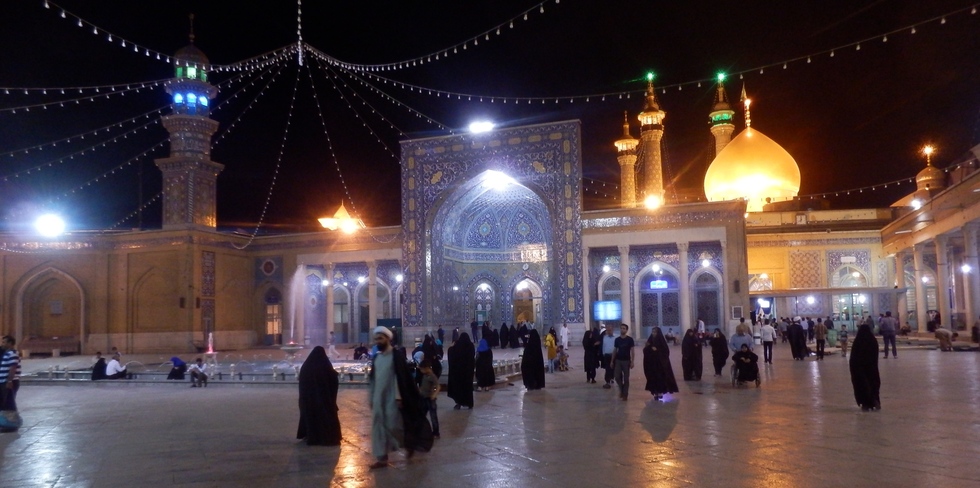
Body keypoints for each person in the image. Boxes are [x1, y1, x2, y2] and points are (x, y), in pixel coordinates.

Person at [368, 326, 432, 469]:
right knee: (378, 429)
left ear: (388, 338)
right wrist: (371, 397)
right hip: (379, 400)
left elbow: (401, 378)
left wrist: (399, 397)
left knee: (393, 427)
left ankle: (409, 445)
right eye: (376, 338)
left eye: (381, 338)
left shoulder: (396, 356)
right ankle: (382, 458)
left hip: (392, 398)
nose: (378, 341)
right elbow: (373, 379)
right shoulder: (377, 357)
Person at [296, 346, 342, 446]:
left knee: (311, 417)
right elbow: (333, 380)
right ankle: (326, 436)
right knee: (325, 417)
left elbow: (302, 382)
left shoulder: (306, 366)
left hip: (309, 400)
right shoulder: (325, 366)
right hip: (324, 399)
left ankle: (311, 436)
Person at [849, 323, 881, 412]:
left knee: (862, 385)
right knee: (873, 384)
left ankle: (866, 403)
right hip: (872, 368)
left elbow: (853, 358)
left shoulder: (858, 342)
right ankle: (874, 400)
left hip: (860, 370)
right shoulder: (873, 340)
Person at [643, 327, 678, 401]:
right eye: (653, 332)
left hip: (660, 364)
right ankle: (655, 392)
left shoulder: (661, 341)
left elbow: (666, 352)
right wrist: (648, 347)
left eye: (655, 332)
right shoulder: (650, 340)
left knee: (660, 378)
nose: (654, 333)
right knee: (653, 378)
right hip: (652, 364)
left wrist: (657, 350)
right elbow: (645, 351)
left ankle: (660, 392)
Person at [447, 333, 475, 409]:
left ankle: (459, 403)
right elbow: (472, 357)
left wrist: (451, 346)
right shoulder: (471, 346)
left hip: (459, 373)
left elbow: (451, 353)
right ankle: (469, 403)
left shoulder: (457, 347)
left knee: (459, 388)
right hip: (468, 372)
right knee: (468, 388)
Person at [0, 336, 22, 432]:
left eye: (4, 342)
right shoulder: (7, 353)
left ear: (10, 343)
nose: (2, 344)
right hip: (4, 381)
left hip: (9, 382)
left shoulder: (12, 354)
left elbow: (12, 368)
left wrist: (9, 381)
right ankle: (6, 423)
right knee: (4, 403)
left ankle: (11, 424)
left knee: (8, 404)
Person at [417, 360, 440, 439]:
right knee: (422, 415)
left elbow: (437, 386)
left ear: (426, 368)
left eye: (422, 369)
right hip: (424, 397)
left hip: (430, 399)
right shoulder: (425, 375)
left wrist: (434, 394)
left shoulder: (432, 376)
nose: (421, 371)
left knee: (433, 416)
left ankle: (436, 432)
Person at [612, 323, 635, 400]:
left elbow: (632, 351)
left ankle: (625, 395)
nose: (622, 329)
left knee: (626, 379)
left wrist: (632, 361)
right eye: (621, 328)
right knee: (617, 377)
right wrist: (612, 361)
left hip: (626, 361)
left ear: (626, 330)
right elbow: (615, 350)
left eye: (624, 328)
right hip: (618, 360)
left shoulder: (630, 340)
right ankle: (621, 389)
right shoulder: (617, 340)